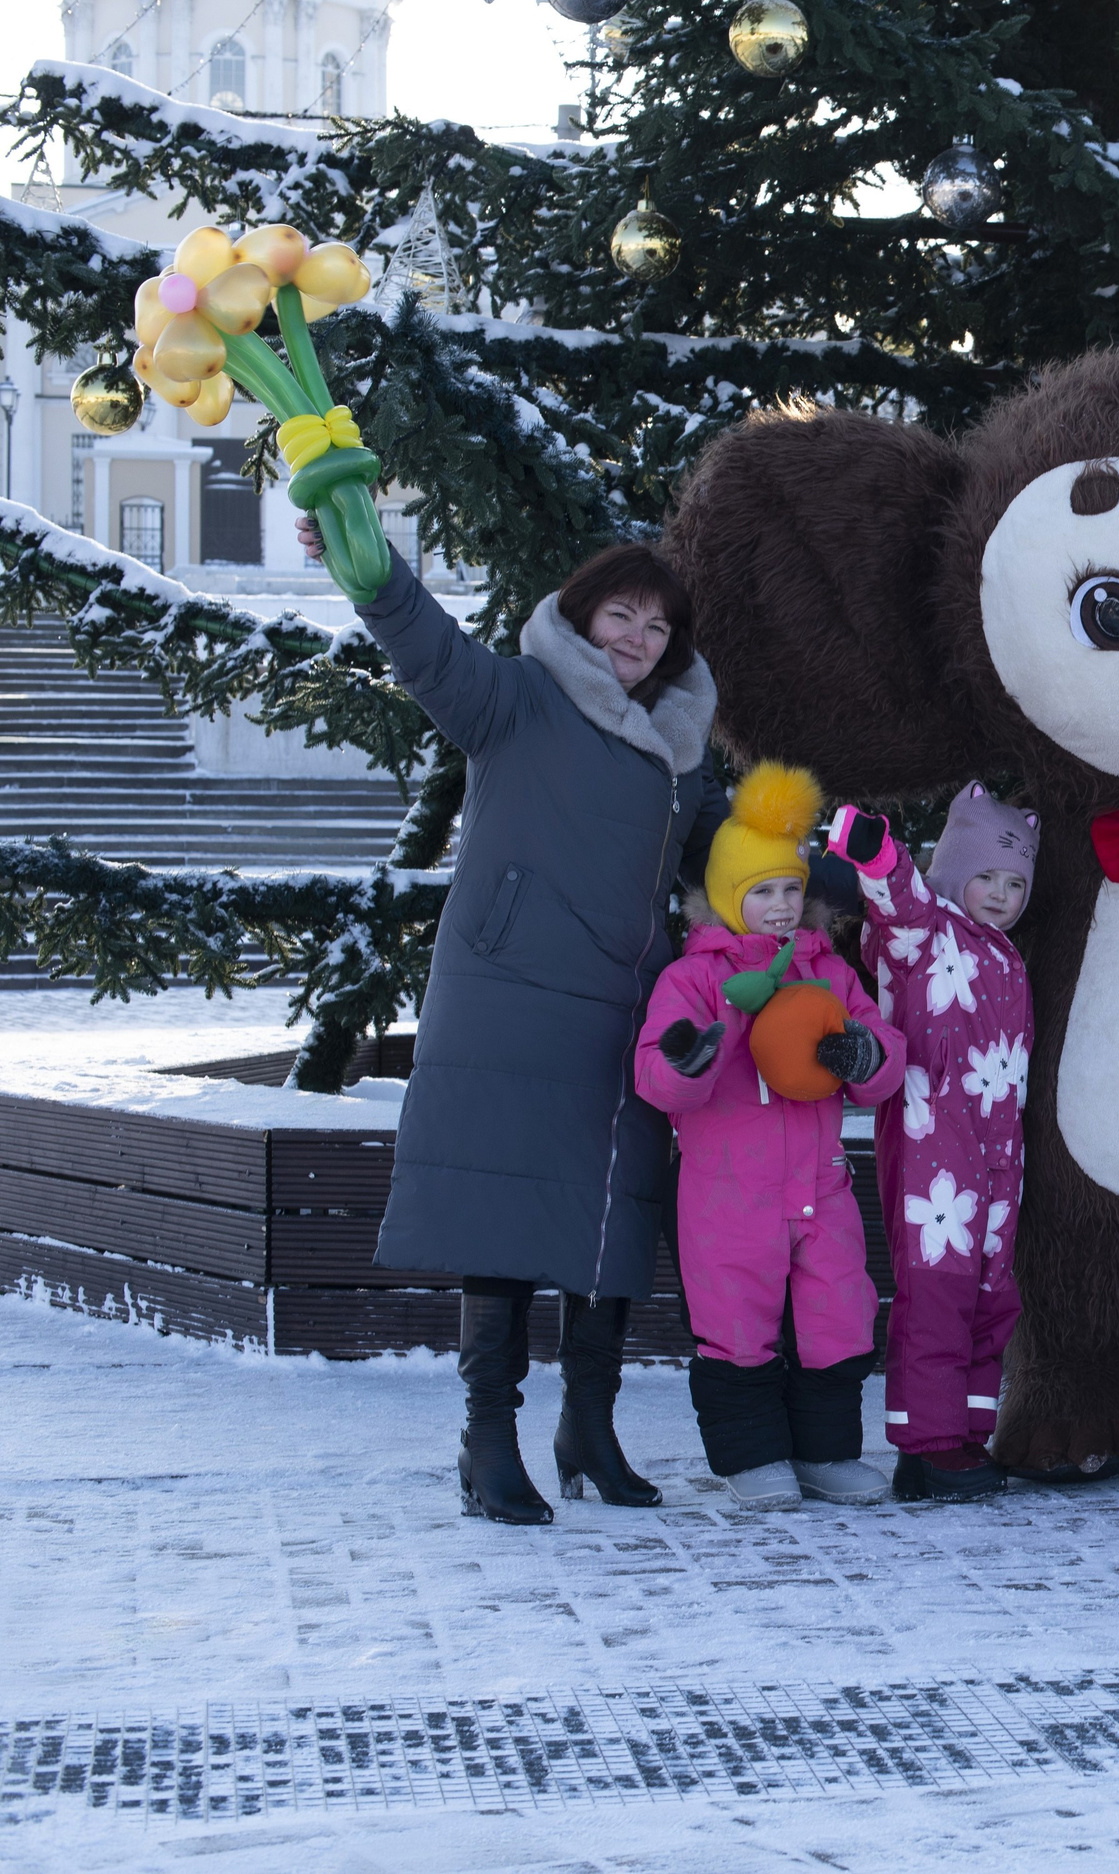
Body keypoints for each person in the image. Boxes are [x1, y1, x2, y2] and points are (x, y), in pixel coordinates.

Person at [313, 509, 725, 1529]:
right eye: (621, 616)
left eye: (658, 629)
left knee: (608, 1216)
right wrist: (369, 563)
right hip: (510, 997)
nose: (637, 639)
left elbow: (731, 856)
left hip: (622, 1012)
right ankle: (485, 1437)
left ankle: (588, 1428)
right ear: (581, 617)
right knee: (503, 1214)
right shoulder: (518, 699)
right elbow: (425, 645)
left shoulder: (683, 755)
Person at [635, 762, 907, 1512]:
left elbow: (881, 1054)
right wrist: (693, 1055)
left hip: (819, 1184)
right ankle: (752, 1458)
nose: (782, 907)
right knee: (735, 1320)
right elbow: (655, 1076)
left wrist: (866, 1057)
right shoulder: (694, 981)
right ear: (729, 899)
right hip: (727, 1191)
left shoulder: (829, 973)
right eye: (763, 892)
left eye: (792, 889)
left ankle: (826, 1453)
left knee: (838, 1315)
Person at [812, 783, 1038, 1503]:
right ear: (952, 871)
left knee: (990, 1295)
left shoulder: (1007, 956)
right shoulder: (924, 932)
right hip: (933, 1144)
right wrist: (873, 848)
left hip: (999, 1152)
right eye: (986, 877)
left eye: (1014, 884)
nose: (1000, 895)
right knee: (937, 1294)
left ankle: (967, 1436)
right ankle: (927, 1446)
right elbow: (896, 897)